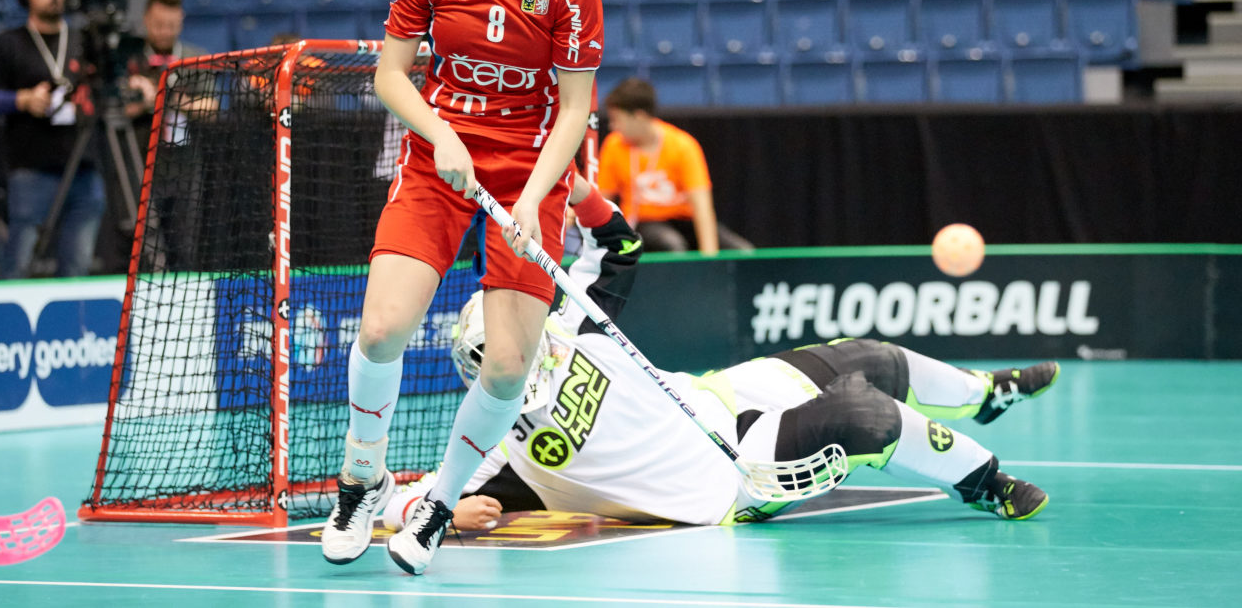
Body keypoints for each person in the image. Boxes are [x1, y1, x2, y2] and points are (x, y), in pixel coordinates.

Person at [385, 187, 1057, 534]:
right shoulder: (492, 450)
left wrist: (575, 183)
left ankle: (984, 393)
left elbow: (620, 244)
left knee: (870, 356)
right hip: (732, 477)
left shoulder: (569, 324)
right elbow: (408, 502)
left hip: (719, 397)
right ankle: (984, 482)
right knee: (863, 411)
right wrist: (444, 512)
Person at [319, 0, 603, 576]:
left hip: (528, 173)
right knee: (381, 328)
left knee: (508, 365)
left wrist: (536, 202)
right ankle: (362, 476)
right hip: (438, 156)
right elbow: (389, 75)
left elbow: (574, 109)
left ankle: (441, 501)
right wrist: (440, 132)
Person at [0, 0, 107, 278]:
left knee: (78, 263)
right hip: (32, 166)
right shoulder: (9, 43)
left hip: (82, 165)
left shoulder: (82, 41)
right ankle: (9, 321)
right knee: (20, 260)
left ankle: (73, 325)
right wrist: (23, 99)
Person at [597, 77, 752, 254]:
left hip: (684, 220)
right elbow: (604, 200)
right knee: (672, 245)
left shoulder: (683, 145)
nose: (613, 126)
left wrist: (710, 258)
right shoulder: (613, 145)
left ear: (639, 116)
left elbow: (702, 207)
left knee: (743, 251)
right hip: (642, 222)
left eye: (617, 119)